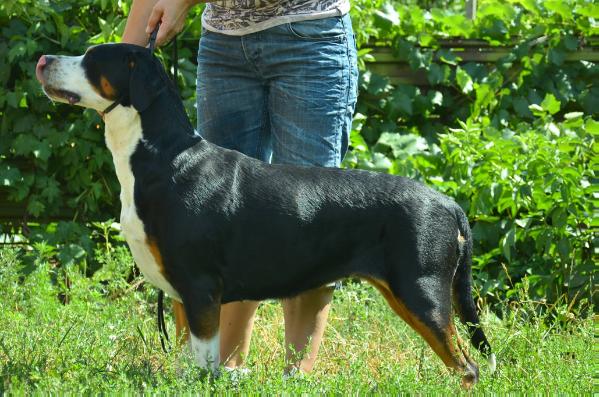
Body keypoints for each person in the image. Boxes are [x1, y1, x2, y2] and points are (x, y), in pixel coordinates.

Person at [122, 0, 358, 375]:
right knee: (215, 221)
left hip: (309, 34)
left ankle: (298, 379)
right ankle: (224, 372)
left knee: (309, 217)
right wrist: (121, 68)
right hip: (223, 45)